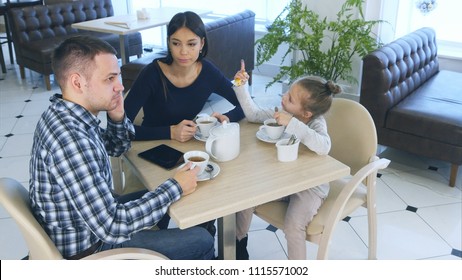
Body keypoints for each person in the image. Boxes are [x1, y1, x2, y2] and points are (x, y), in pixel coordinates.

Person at [28, 35, 214, 260]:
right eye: (110, 79)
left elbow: (117, 148)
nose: (121, 86)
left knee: (164, 191)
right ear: (77, 83)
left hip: (91, 221)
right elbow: (112, 226)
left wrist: (117, 117)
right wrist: (175, 187)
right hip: (92, 251)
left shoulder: (67, 114)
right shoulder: (69, 139)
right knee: (202, 240)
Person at [232, 61, 342, 259]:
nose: (283, 97)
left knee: (293, 227)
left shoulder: (316, 123)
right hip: (282, 181)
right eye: (287, 92)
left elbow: (324, 146)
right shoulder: (284, 112)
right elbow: (253, 114)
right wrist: (241, 86)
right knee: (244, 199)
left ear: (306, 113)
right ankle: (237, 248)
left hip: (310, 187)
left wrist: (292, 123)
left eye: (290, 98)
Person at [124, 11, 245, 142]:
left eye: (191, 44)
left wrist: (227, 117)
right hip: (150, 147)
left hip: (186, 146)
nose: (183, 52)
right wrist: (170, 132)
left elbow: (245, 105)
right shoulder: (151, 74)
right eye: (176, 43)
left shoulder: (208, 72)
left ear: (202, 44)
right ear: (169, 43)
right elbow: (120, 130)